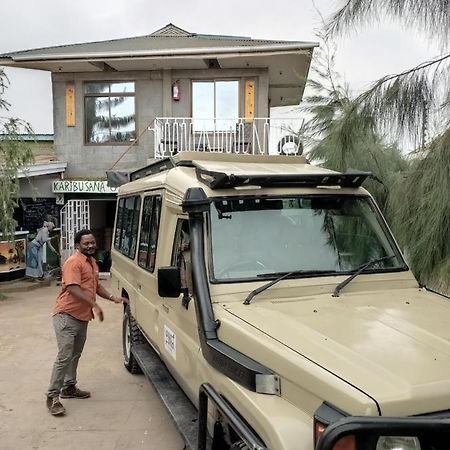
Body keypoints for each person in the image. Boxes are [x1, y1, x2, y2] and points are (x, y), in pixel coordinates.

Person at [46, 229, 127, 416]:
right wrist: (95, 305)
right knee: (64, 356)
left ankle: (69, 388)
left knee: (75, 354)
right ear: (78, 245)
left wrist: (113, 298)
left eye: (92, 242)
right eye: (86, 243)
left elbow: (95, 286)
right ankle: (52, 397)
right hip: (66, 315)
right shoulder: (73, 262)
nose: (90, 246)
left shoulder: (91, 262)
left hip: (82, 317)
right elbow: (73, 288)